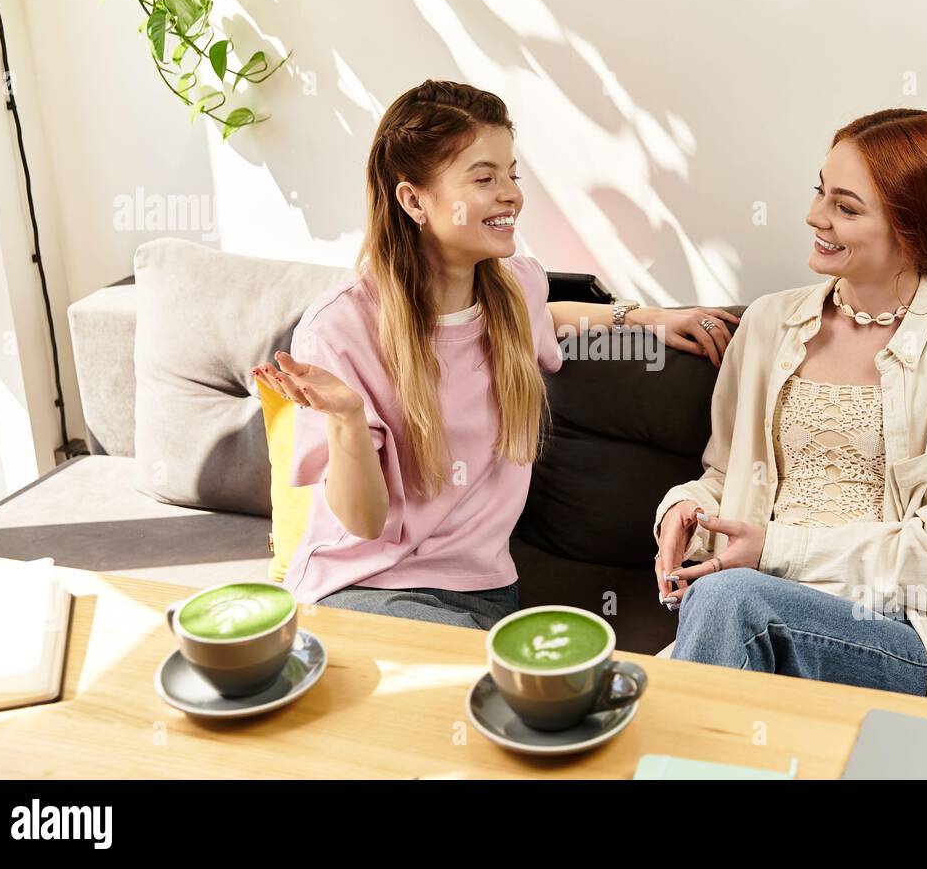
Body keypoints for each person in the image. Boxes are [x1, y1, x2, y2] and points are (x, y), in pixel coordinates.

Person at [253, 79, 739, 630]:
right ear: (413, 199)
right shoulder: (341, 329)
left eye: (512, 174)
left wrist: (645, 318)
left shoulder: (514, 293)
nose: (511, 193)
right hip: (364, 586)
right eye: (484, 178)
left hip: (487, 591)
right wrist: (343, 419)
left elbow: (547, 315)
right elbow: (363, 524)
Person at [652, 109, 927, 709]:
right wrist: (687, 510)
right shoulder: (769, 322)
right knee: (728, 604)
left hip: (897, 633)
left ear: (914, 229)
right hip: (756, 604)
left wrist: (776, 549)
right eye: (820, 191)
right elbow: (724, 475)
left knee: (727, 602)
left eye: (846, 208)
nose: (815, 217)